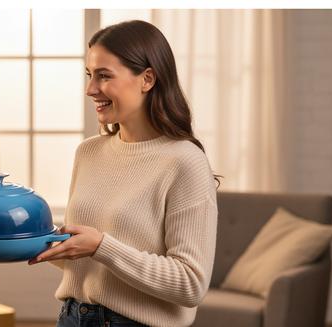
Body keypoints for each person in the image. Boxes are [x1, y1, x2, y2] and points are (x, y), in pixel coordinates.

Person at [28, 20, 219, 327]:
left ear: (147, 79)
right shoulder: (88, 152)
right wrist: (33, 240)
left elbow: (190, 283)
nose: (91, 89)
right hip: (72, 318)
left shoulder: (185, 161)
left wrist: (101, 246)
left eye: (104, 76)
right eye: (89, 75)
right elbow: (86, 260)